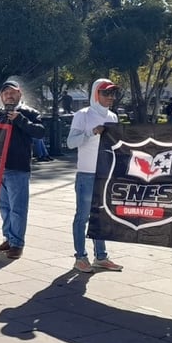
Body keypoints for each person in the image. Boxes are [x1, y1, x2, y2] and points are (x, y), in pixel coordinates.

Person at [67, 78, 124, 273]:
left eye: (112, 93)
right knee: (82, 217)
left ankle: (101, 256)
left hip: (105, 175)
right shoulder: (83, 115)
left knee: (101, 217)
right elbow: (70, 142)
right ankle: (80, 257)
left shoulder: (113, 117)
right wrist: (92, 132)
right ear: (95, 94)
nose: (110, 97)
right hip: (87, 174)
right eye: (105, 93)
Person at [0, 80, 46, 260]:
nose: (9, 95)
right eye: (5, 93)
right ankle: (8, 238)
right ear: (1, 96)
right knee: (4, 208)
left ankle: (17, 244)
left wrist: (20, 119)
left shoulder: (29, 113)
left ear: (19, 94)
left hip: (18, 168)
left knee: (18, 209)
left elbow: (40, 132)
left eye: (12, 92)